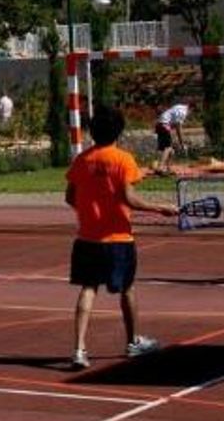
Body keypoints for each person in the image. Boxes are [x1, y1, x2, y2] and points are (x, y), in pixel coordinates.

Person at [63, 104, 177, 370]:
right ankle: (133, 342)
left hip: (87, 238)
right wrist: (160, 207)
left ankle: (79, 349)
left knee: (88, 288)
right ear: (119, 132)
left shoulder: (82, 160)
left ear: (91, 131)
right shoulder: (123, 159)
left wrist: (91, 210)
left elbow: (69, 197)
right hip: (118, 239)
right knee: (127, 288)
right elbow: (129, 198)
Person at [153, 100, 190, 175]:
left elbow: (171, 120)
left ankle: (167, 168)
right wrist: (182, 143)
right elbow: (178, 128)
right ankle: (160, 167)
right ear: (192, 109)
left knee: (171, 151)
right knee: (168, 148)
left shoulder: (179, 106)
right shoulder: (183, 112)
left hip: (160, 125)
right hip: (164, 125)